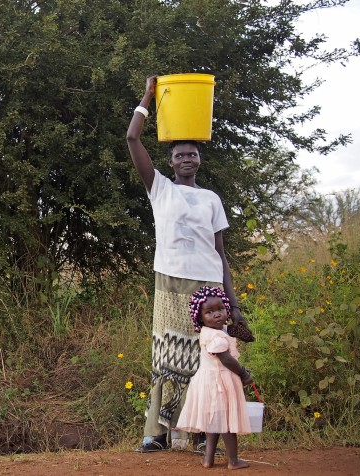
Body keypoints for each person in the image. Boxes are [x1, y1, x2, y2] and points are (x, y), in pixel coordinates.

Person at [126, 75, 248, 453]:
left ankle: (200, 436)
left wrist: (235, 304)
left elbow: (221, 254)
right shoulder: (159, 187)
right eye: (179, 155)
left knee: (207, 359)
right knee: (166, 355)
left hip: (210, 287)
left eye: (192, 154)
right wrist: (148, 97)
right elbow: (132, 139)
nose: (186, 159)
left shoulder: (212, 198)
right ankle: (157, 434)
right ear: (170, 161)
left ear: (200, 159)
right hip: (171, 282)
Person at [175, 286, 253, 469]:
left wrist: (235, 329)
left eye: (220, 309)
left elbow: (231, 338)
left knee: (213, 423)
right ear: (200, 317)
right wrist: (243, 373)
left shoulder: (209, 332)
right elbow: (226, 360)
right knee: (226, 423)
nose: (217, 315)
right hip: (220, 382)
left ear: (227, 309)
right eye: (209, 312)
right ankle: (233, 461)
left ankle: (208, 460)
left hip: (208, 381)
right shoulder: (217, 337)